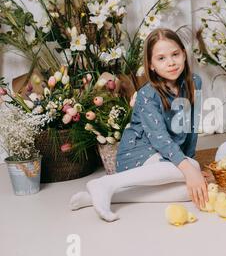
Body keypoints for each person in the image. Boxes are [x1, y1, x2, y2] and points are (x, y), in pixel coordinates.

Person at [70, 28, 208, 222]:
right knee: (190, 168)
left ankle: (101, 193)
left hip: (167, 156)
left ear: (184, 54)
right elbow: (159, 139)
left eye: (175, 54)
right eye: (161, 58)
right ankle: (108, 182)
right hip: (139, 152)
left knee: (189, 191)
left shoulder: (195, 82)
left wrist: (190, 163)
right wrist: (188, 167)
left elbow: (191, 128)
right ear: (151, 65)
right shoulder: (147, 95)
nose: (170, 62)